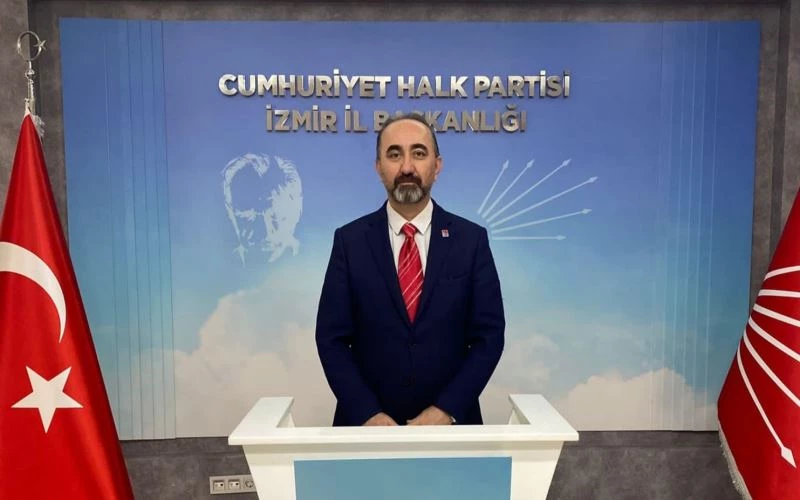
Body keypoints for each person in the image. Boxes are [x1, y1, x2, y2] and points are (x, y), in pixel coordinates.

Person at [315, 113, 505, 426]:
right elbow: (330, 338)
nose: (406, 167)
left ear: (437, 166)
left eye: (418, 153)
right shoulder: (349, 242)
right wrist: (367, 414)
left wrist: (446, 410)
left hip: (452, 430)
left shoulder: (471, 241)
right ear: (379, 167)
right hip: (365, 431)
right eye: (394, 155)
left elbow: (489, 336)